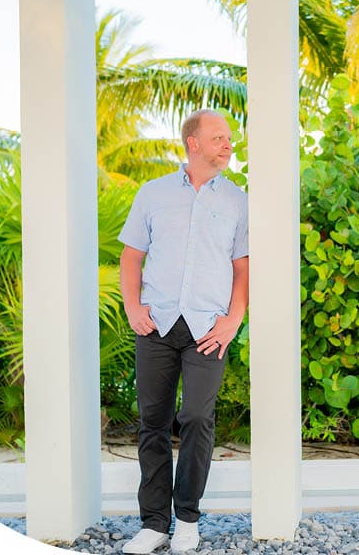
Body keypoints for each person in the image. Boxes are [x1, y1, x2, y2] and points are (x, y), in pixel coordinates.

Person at [117, 109, 249, 554]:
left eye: (229, 138)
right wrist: (133, 307)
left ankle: (187, 518)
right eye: (218, 138)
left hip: (208, 328)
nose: (228, 144)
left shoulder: (237, 200)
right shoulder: (152, 194)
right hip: (156, 324)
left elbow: (242, 267)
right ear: (193, 143)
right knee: (152, 423)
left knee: (196, 417)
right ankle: (154, 524)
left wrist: (234, 319)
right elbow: (132, 256)